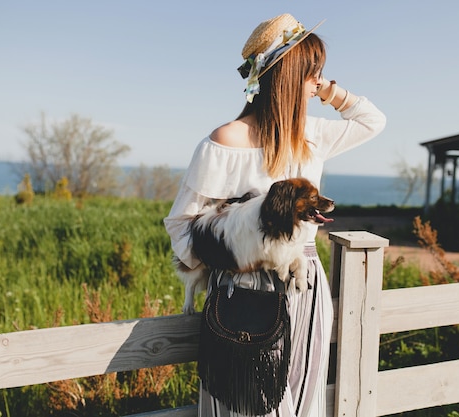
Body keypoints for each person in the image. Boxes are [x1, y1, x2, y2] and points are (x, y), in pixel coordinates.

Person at [164, 13, 386, 417]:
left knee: (302, 400)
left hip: (304, 283)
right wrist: (228, 262)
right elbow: (182, 224)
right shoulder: (224, 141)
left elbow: (373, 121)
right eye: (310, 74)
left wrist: (332, 92)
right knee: (241, 403)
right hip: (240, 287)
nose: (316, 83)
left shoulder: (312, 135)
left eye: (319, 75)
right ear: (283, 77)